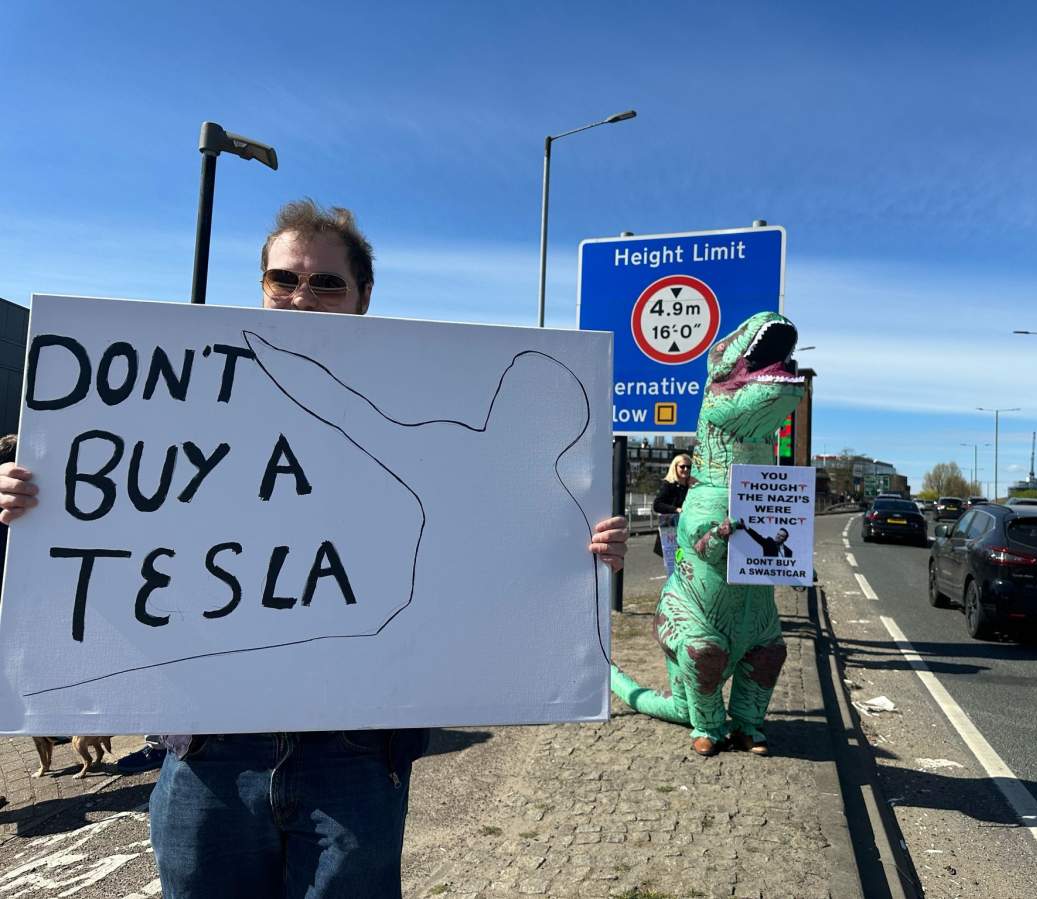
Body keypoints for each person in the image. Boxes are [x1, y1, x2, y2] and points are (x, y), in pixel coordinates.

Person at [0, 199, 628, 898]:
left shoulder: (484, 463)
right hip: (208, 752)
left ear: (364, 297)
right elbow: (118, 520)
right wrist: (38, 503)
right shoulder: (186, 392)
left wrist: (585, 562)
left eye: (327, 282)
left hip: (354, 751)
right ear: (262, 287)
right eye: (284, 279)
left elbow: (518, 581)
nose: (302, 296)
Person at [651, 453, 693, 575]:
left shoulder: (692, 486)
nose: (686, 469)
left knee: (687, 568)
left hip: (687, 533)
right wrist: (676, 509)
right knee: (673, 569)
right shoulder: (668, 484)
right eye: (683, 466)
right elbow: (657, 505)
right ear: (675, 467)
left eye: (689, 467)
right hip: (671, 534)